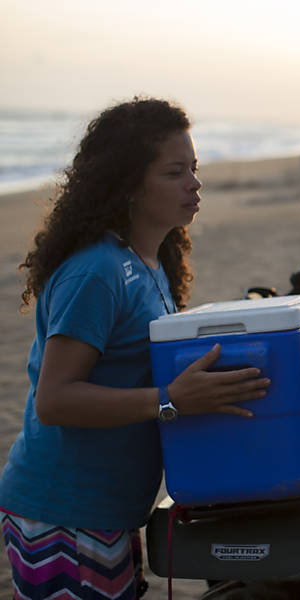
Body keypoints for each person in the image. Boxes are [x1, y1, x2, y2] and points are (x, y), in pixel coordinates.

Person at [0, 98, 271, 599]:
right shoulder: (97, 272)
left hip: (112, 509)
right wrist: (171, 399)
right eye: (174, 172)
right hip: (64, 511)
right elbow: (55, 399)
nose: (195, 183)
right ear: (127, 184)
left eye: (194, 168)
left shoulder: (153, 261)